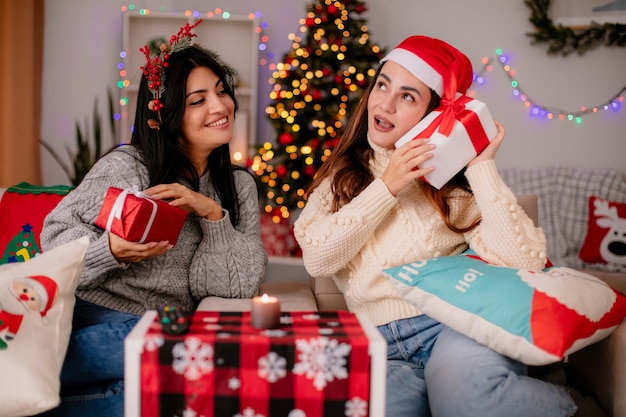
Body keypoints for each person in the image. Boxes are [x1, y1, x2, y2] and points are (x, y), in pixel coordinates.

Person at [293, 35, 577, 417]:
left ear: (432, 114)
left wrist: (480, 166)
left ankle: (575, 408)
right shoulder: (338, 179)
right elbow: (318, 260)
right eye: (383, 85)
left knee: (466, 400)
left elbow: (523, 259)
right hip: (380, 347)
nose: (386, 103)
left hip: (454, 327)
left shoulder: (453, 188)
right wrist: (388, 185)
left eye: (408, 96)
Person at [38, 21, 267, 417]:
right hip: (93, 319)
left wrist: (213, 215)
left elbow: (236, 288)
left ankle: (32, 393)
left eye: (221, 91)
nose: (220, 106)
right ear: (165, 115)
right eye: (198, 100)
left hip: (162, 329)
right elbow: (54, 239)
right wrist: (110, 251)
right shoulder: (128, 168)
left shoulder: (239, 187)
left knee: (156, 396)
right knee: (183, 354)